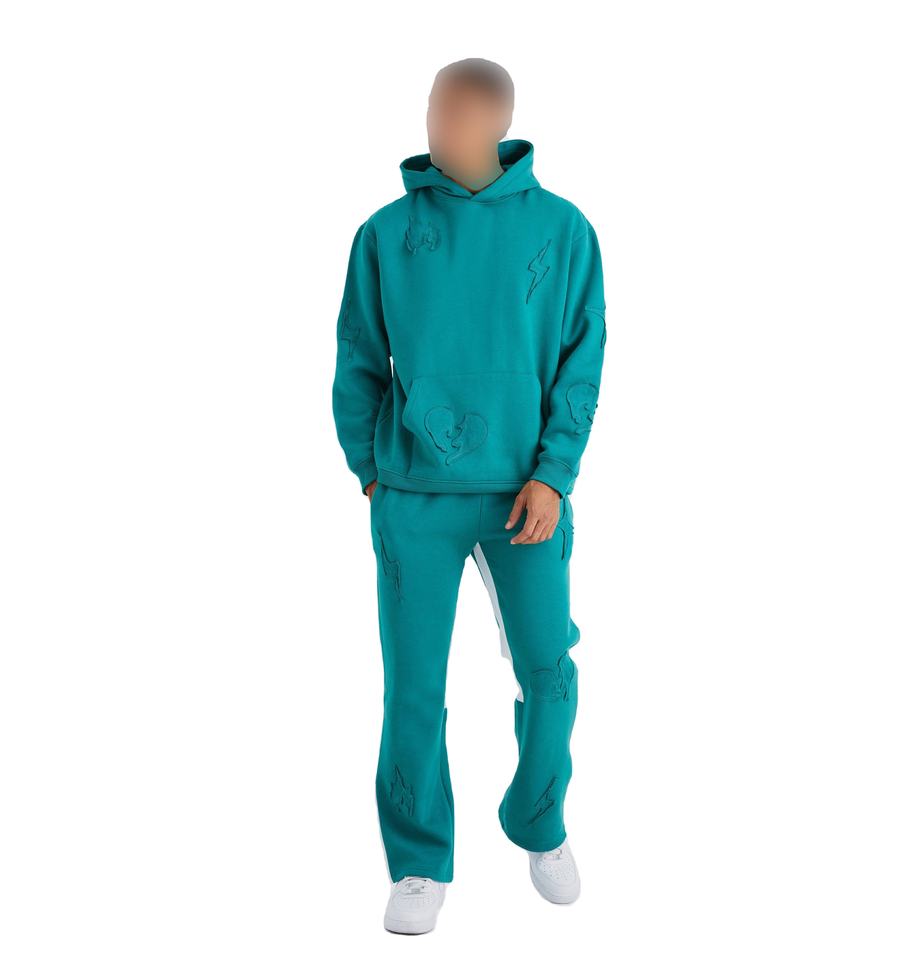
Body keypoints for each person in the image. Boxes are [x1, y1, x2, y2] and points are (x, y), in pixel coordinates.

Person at [332, 57, 606, 935]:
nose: (434, 124)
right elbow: (357, 359)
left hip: (527, 493)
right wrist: (371, 472)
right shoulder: (385, 234)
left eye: (451, 112)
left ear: (495, 123)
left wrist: (555, 475)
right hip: (414, 497)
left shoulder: (564, 231)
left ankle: (540, 820)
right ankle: (418, 861)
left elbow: (582, 361)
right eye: (431, 108)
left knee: (549, 672)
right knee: (413, 685)